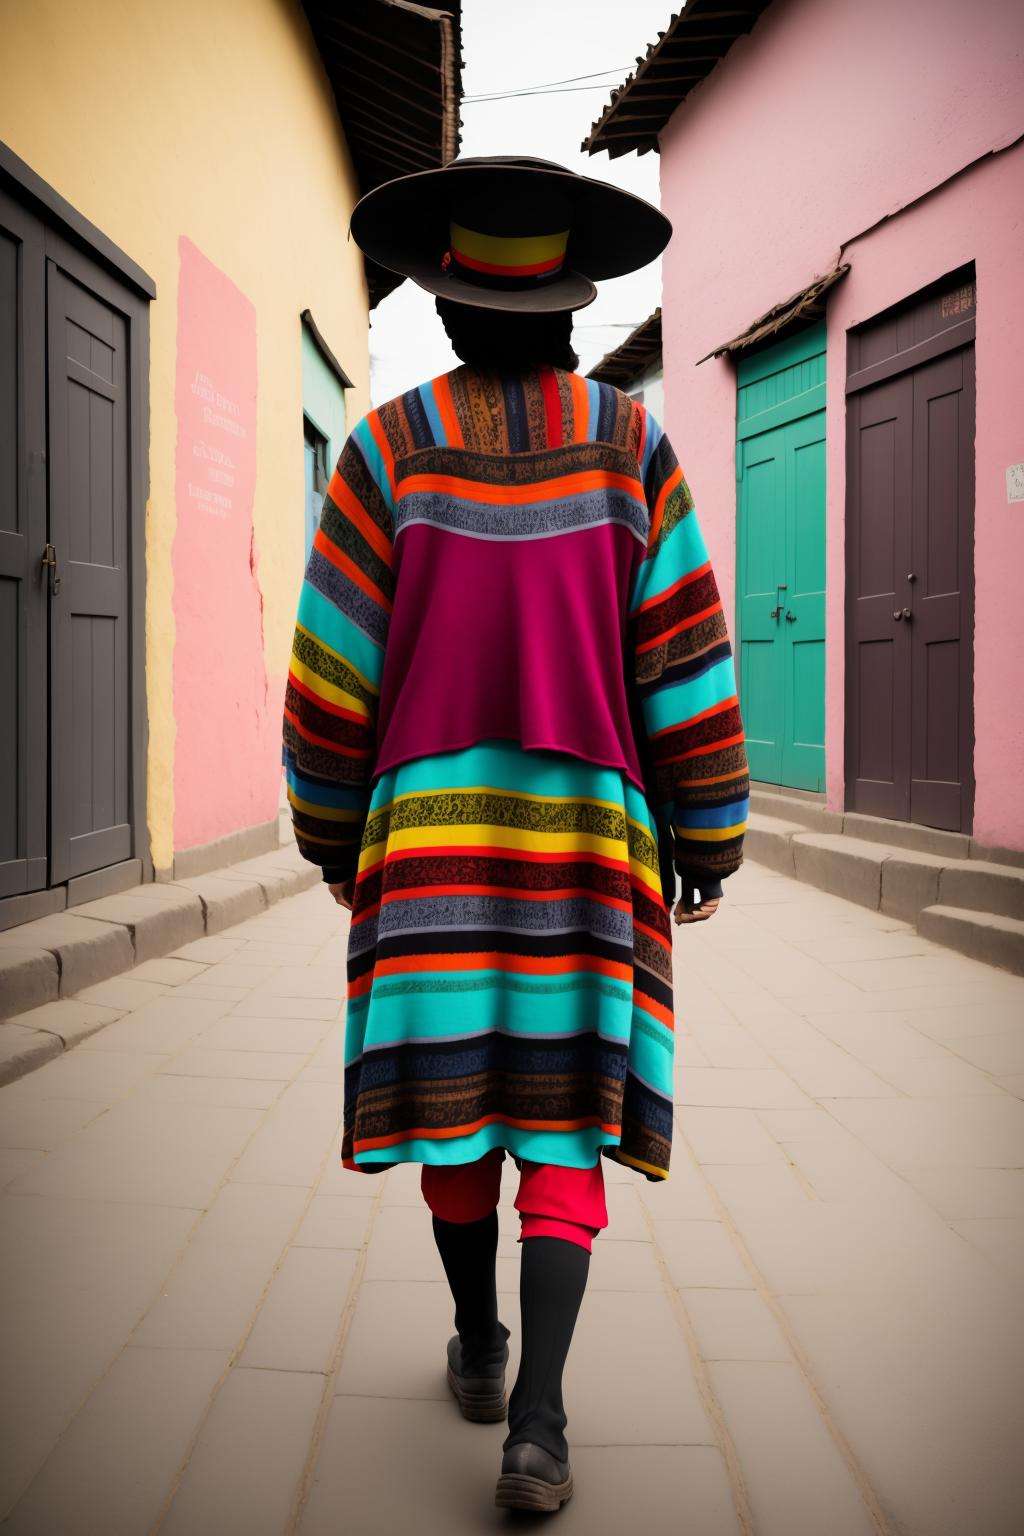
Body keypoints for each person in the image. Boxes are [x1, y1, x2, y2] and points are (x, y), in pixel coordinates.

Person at [282, 155, 749, 1514]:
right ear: (567, 310)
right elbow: (685, 656)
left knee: (454, 1107)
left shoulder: (382, 452)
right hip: (587, 850)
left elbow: (331, 671)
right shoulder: (630, 449)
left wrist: (330, 835)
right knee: (557, 1114)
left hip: (427, 846)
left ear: (445, 308)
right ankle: (538, 1418)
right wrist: (706, 832)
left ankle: (479, 1345)